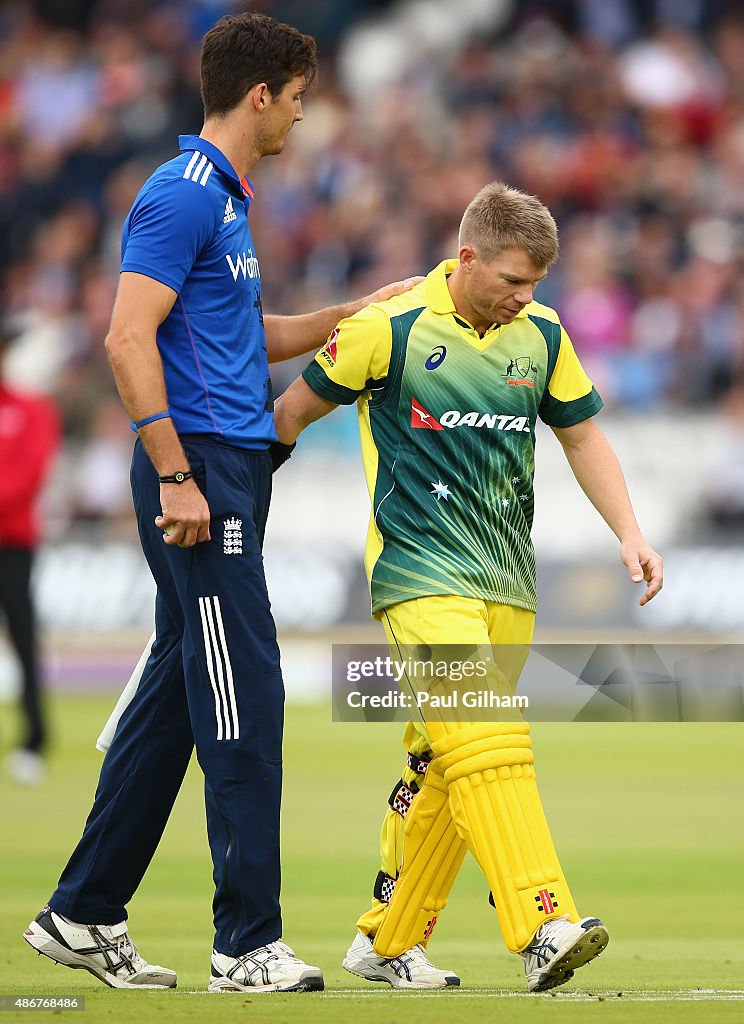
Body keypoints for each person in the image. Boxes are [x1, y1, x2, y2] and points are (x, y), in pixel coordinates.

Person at [23, 12, 417, 995]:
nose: (299, 114)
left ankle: (82, 912)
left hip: (227, 467)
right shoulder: (184, 192)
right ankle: (247, 941)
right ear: (261, 93)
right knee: (246, 690)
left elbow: (240, 332)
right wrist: (172, 471)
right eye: (295, 97)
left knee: (176, 698)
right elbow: (126, 337)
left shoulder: (225, 204)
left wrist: (354, 314)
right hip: (196, 469)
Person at [273, 181, 664, 992]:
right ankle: (541, 920)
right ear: (467, 258)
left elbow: (583, 438)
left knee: (448, 761)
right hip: (419, 572)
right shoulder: (389, 327)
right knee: (489, 737)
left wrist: (628, 531)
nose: (526, 298)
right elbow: (286, 419)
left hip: (507, 581)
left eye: (535, 286)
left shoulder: (544, 335)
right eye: (513, 281)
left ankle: (386, 942)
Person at [0, 322, 60, 785]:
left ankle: (34, 736)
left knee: (23, 638)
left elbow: (32, 475)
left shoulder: (31, 409)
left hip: (13, 543)